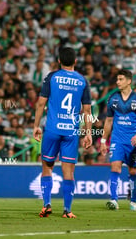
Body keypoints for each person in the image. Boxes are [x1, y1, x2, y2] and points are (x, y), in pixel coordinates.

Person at [33, 47, 92, 218]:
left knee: (47, 167)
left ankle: (47, 205)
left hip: (52, 129)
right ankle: (67, 210)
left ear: (59, 61)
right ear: (75, 61)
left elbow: (40, 104)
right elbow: (87, 111)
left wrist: (36, 125)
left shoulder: (52, 77)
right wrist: (88, 133)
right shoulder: (82, 81)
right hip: (71, 132)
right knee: (68, 171)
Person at [100, 69, 136, 211]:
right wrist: (103, 141)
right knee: (115, 167)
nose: (117, 82)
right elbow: (108, 121)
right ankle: (114, 200)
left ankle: (133, 201)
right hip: (117, 140)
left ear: (129, 81)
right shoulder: (113, 98)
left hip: (133, 142)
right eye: (117, 79)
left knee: (133, 172)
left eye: (120, 79)